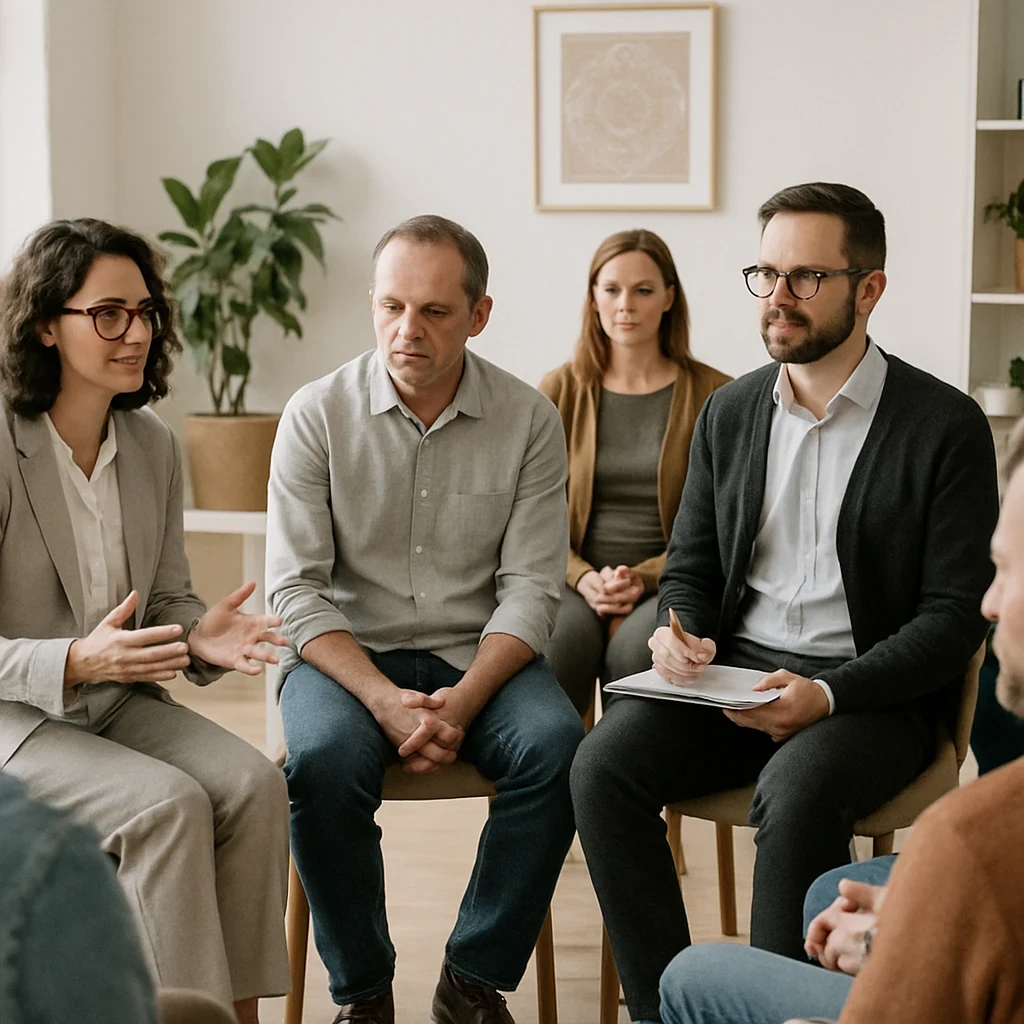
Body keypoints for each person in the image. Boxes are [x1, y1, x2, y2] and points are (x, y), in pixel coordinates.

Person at [570, 183, 999, 1023]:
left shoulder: (945, 426)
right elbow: (691, 568)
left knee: (798, 788)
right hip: (737, 681)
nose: (777, 298)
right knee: (600, 765)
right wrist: (678, 632)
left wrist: (830, 694)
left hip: (869, 697)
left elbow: (953, 618)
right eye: (764, 274)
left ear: (868, 288)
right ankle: (669, 1010)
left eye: (805, 278)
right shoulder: (730, 412)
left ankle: (773, 1009)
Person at [266, 214, 584, 1024]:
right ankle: (364, 996)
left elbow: (531, 589)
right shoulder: (315, 415)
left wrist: (466, 699)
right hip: (346, 658)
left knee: (558, 750)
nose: (408, 330)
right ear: (372, 303)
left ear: (479, 315)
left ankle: (472, 985)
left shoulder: (528, 420)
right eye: (391, 306)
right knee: (323, 761)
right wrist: (380, 697)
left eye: (436, 311)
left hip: (476, 654)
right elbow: (296, 591)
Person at [0, 219, 292, 1024]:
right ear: (42, 325)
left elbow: (165, 600)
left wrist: (198, 635)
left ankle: (230, 1016)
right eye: (108, 314)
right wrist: (73, 661)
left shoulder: (152, 445)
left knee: (256, 785)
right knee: (167, 807)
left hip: (115, 708)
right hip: (15, 718)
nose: (135, 332)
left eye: (146, 311)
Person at [538, 230, 730, 716]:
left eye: (643, 290)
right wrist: (581, 577)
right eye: (612, 289)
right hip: (571, 579)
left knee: (638, 655)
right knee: (557, 646)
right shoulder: (559, 389)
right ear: (593, 297)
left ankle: (618, 786)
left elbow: (725, 524)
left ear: (669, 297)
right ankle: (548, 788)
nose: (626, 305)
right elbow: (528, 510)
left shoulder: (717, 395)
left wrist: (641, 579)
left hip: (671, 579)